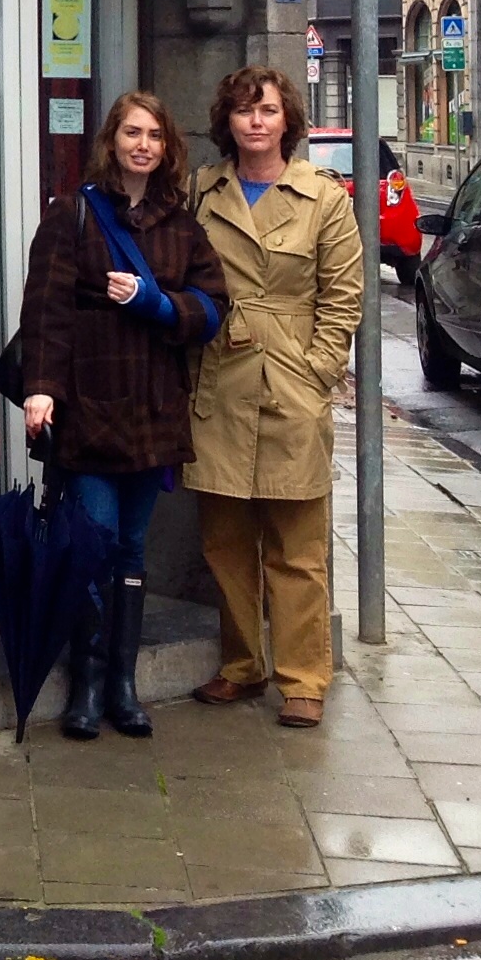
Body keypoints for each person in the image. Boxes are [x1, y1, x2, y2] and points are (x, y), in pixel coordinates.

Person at [15, 92, 228, 741]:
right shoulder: (73, 214)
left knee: (131, 547)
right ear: (112, 140)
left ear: (168, 147)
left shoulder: (181, 224)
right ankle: (86, 685)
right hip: (89, 404)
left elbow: (214, 310)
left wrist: (156, 303)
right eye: (132, 133)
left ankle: (123, 686)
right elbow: (44, 312)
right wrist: (41, 389)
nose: (143, 145)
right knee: (96, 542)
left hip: (155, 409)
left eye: (154, 136)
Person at [185, 65, 363, 729]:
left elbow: (343, 297)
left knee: (297, 547)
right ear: (226, 121)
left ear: (287, 118)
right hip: (221, 379)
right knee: (225, 543)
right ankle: (242, 666)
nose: (254, 122)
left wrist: (317, 372)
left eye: (266, 110)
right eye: (242, 110)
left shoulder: (323, 197)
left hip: (292, 383)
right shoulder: (203, 189)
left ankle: (303, 678)